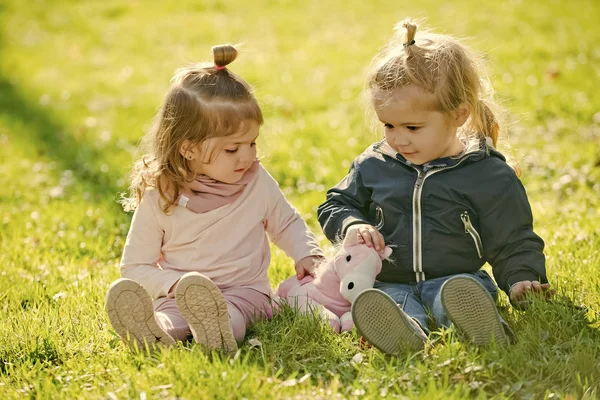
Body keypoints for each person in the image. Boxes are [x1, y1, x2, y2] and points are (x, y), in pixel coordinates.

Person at [317, 19, 553, 354]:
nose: (398, 138)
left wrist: (521, 280)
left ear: (458, 114)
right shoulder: (374, 164)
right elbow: (336, 203)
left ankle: (480, 327)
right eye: (388, 125)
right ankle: (403, 333)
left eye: (413, 127)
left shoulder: (487, 174)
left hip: (457, 280)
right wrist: (353, 224)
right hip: (391, 281)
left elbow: (513, 239)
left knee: (458, 297)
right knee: (387, 303)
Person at [105, 45, 323, 353]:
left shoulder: (256, 182)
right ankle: (156, 333)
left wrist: (307, 254)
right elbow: (135, 266)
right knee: (170, 317)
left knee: (233, 315)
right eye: (232, 149)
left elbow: (285, 221)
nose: (247, 156)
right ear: (188, 148)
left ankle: (219, 331)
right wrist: (175, 284)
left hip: (244, 292)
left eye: (252, 143)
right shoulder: (162, 196)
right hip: (181, 294)